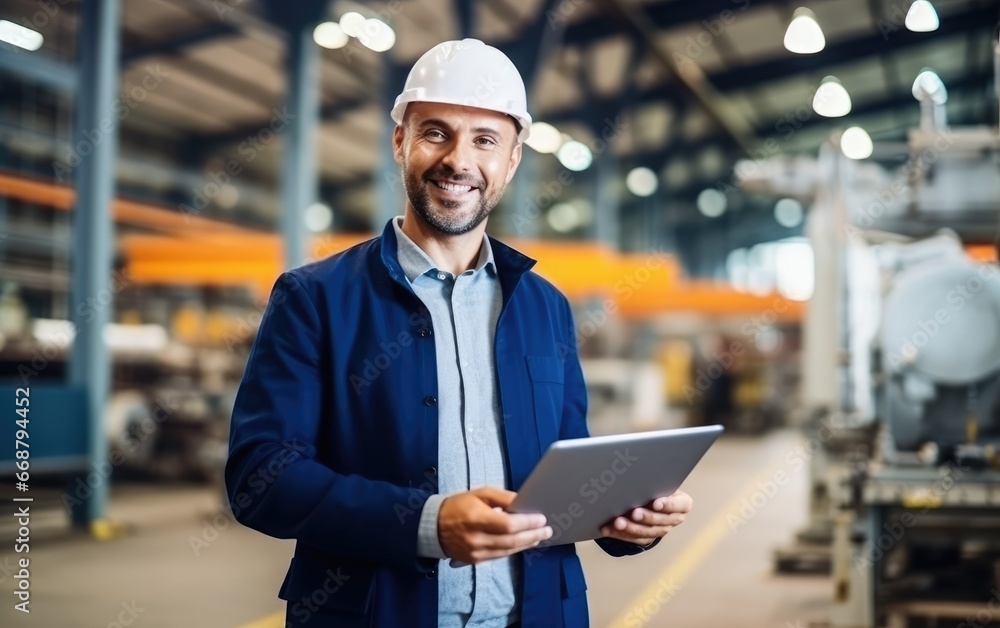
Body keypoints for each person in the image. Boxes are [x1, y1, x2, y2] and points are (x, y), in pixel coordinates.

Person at [225, 38, 693, 628]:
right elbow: (259, 476)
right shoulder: (315, 297)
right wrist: (425, 523)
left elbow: (568, 471)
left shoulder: (545, 307)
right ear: (401, 141)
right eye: (436, 132)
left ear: (513, 160)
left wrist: (629, 524)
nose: (458, 160)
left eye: (485, 140)